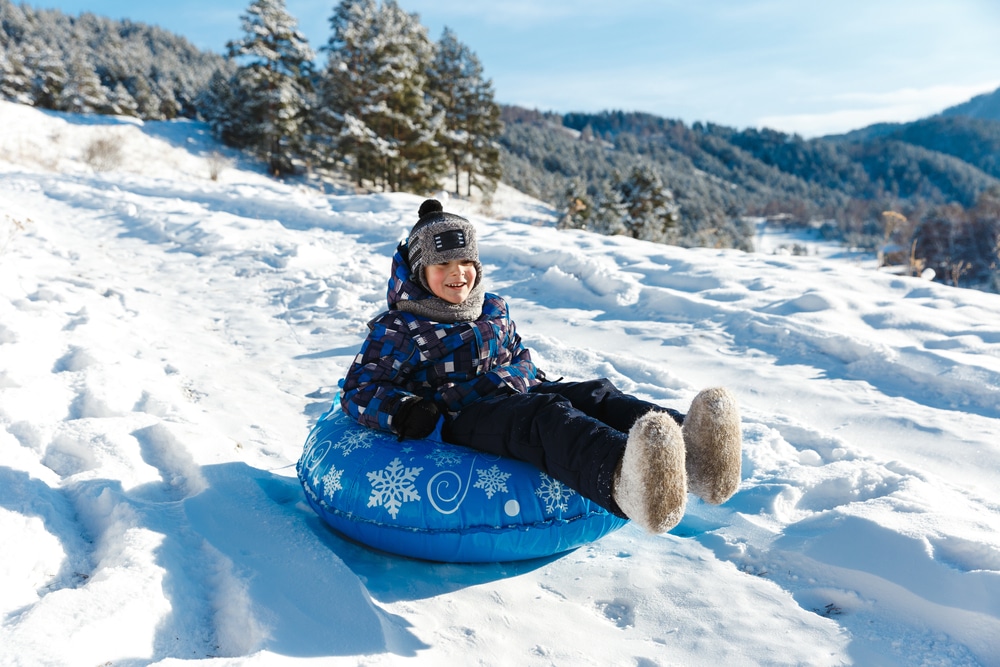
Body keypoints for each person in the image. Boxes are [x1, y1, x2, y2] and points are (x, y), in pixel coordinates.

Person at [341, 199, 742, 533]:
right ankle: (626, 479)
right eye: (441, 266)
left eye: (464, 261)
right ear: (419, 272)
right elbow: (360, 388)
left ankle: (697, 455)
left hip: (516, 389)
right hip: (461, 410)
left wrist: (530, 375)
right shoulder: (402, 326)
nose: (456, 274)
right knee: (544, 419)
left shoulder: (491, 307)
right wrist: (406, 410)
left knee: (595, 394)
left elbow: (516, 351)